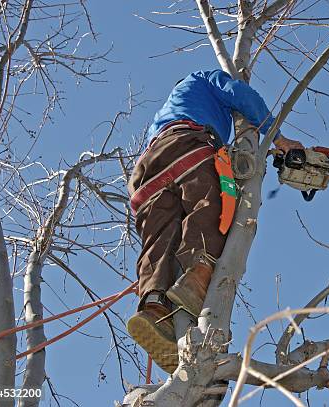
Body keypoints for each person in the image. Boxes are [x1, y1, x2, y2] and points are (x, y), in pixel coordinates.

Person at [126, 69, 303, 372]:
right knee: (216, 208)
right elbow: (240, 94)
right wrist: (279, 136)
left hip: (146, 173)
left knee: (160, 239)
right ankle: (198, 275)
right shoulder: (201, 79)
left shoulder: (168, 111)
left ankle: (154, 305)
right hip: (187, 145)